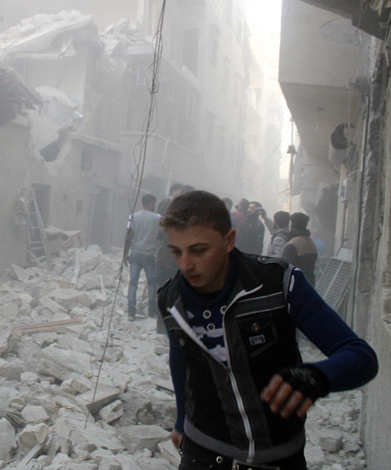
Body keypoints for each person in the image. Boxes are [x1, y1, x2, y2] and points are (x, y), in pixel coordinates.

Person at [156, 191, 378, 470]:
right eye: (177, 251)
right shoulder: (170, 299)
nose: (186, 265)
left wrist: (316, 377)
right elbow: (180, 359)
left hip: (280, 459)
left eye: (199, 250)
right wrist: (179, 422)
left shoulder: (280, 284)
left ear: (228, 241)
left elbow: (361, 356)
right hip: (203, 456)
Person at [123, 193, 161, 320]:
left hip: (135, 254)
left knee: (133, 283)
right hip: (149, 255)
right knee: (151, 283)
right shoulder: (158, 218)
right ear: (151, 203)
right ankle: (151, 311)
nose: (154, 206)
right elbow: (161, 236)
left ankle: (131, 313)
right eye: (154, 203)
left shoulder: (133, 216)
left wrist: (125, 255)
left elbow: (128, 236)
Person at [283, 212, 318, 285]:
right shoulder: (311, 243)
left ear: (292, 225)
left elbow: (287, 268)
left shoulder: (293, 244)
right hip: (309, 283)